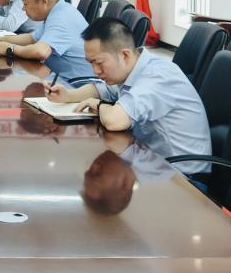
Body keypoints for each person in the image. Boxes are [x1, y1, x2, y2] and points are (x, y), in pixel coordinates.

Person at [45, 17, 211, 172]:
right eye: (91, 63)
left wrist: (99, 106)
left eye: (99, 63)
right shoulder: (131, 69)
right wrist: (68, 96)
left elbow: (114, 121)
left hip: (182, 176)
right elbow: (100, 90)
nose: (95, 71)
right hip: (150, 160)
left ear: (125, 55)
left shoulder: (157, 77)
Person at [0, 0, 94, 78]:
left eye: (25, 4)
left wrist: (10, 49)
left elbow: (40, 52)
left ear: (44, 1)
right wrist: (1, 39)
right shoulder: (58, 10)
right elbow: (32, 38)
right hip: (60, 77)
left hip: (78, 82)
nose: (23, 9)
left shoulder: (61, 17)